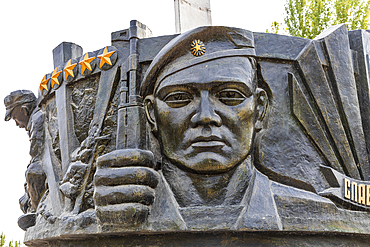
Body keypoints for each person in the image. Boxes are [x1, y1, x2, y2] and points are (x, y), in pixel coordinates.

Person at [94, 26, 370, 231]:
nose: (205, 117)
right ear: (151, 115)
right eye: (179, 98)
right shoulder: (109, 213)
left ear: (260, 108)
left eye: (229, 96)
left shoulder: (315, 212)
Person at [4, 90, 46, 229]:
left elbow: (36, 155)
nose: (17, 124)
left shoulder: (37, 119)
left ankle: (37, 213)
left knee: (33, 174)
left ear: (24, 110)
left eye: (15, 117)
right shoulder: (36, 118)